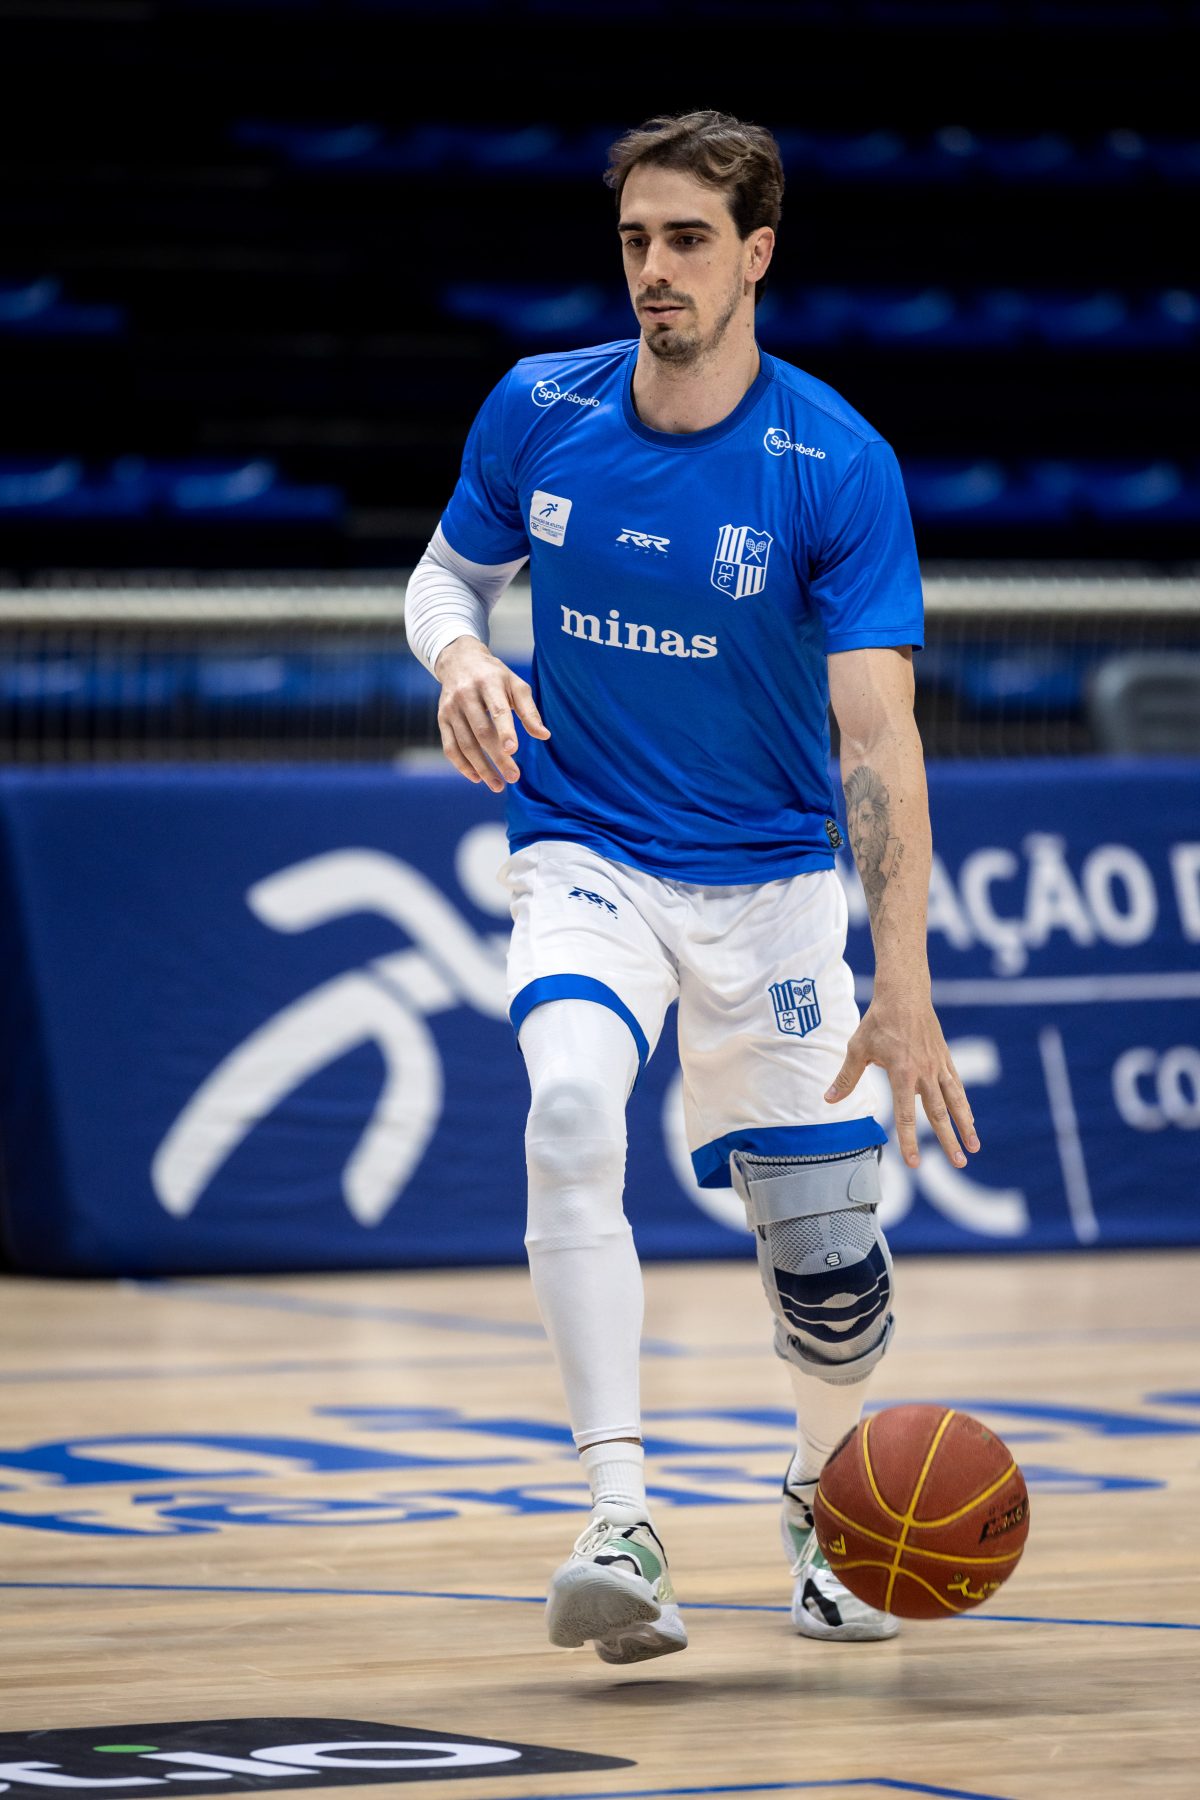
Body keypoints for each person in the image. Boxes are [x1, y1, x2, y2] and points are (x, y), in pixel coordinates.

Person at [403, 109, 978, 1664]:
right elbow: (449, 574)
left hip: (772, 885)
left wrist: (905, 984)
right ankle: (618, 1518)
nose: (655, 270)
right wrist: (460, 657)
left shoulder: (833, 463)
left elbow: (879, 741)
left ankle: (821, 1501)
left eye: (688, 241)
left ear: (756, 255)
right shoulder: (540, 405)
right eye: (636, 240)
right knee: (569, 1114)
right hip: (583, 845)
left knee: (831, 1271)